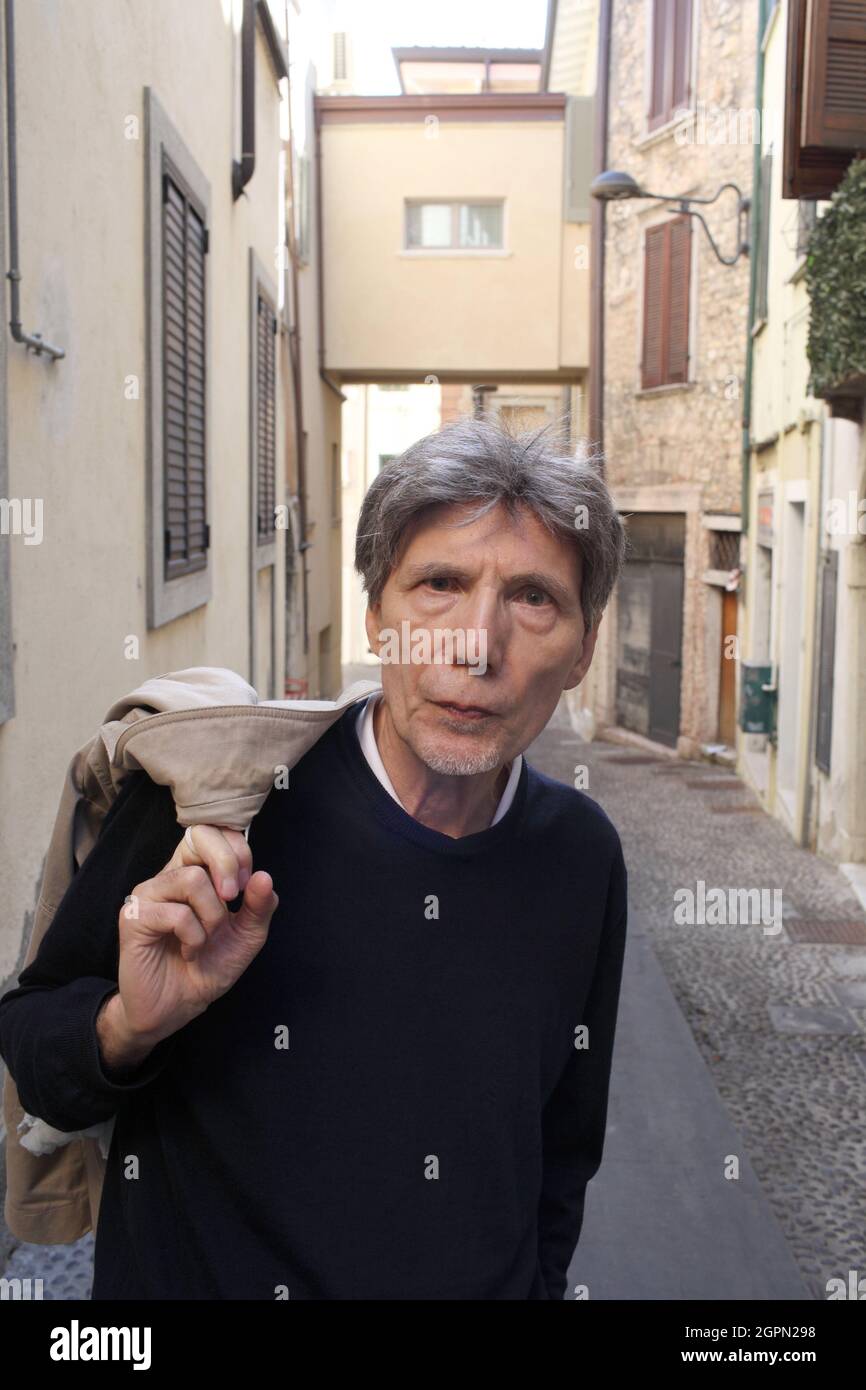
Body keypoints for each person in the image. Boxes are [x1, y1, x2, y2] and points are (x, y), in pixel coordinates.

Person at [0, 414, 628, 1300]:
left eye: (534, 599)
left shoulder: (582, 856)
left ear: (583, 651)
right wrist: (128, 1027)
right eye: (439, 583)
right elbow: (35, 1049)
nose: (477, 646)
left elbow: (563, 1146)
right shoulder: (225, 798)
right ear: (376, 614)